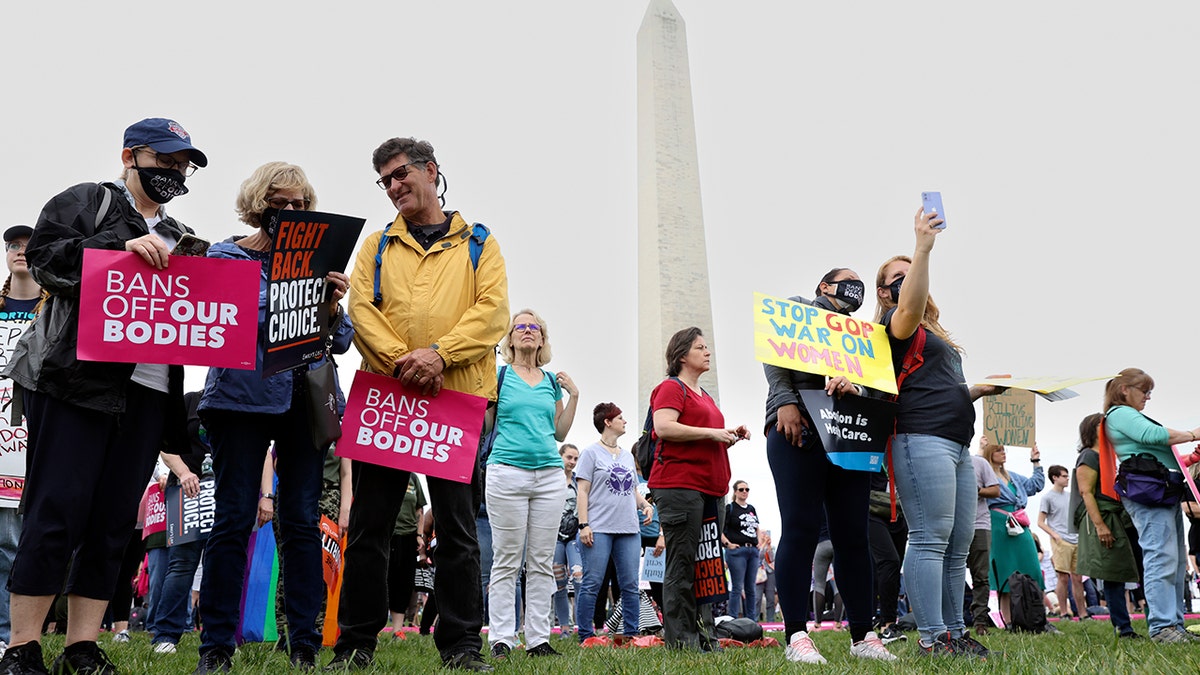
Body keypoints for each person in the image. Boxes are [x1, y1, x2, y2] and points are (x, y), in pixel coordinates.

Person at [0, 118, 203, 675]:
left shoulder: (182, 235)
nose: (174, 173)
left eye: (182, 165)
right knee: (54, 512)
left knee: (112, 522)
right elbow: (47, 262)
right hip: (75, 386)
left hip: (148, 392)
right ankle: (22, 647)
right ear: (129, 156)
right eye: (165, 161)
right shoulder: (86, 201)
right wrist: (119, 243)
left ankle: (82, 647)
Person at [330, 137, 508, 673]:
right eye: (384, 180)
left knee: (456, 529)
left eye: (400, 174)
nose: (393, 186)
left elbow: (493, 311)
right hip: (388, 399)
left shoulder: (479, 242)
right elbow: (361, 309)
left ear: (431, 170)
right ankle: (356, 643)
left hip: (455, 402)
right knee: (368, 526)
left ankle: (460, 646)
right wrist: (404, 362)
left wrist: (440, 355)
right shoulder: (376, 245)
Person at [191, 161, 351, 672]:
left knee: (301, 522)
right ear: (258, 206)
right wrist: (285, 298)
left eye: (300, 205)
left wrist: (328, 305)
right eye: (279, 203)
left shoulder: (318, 260)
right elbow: (224, 317)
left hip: (303, 402)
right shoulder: (225, 253)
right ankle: (217, 644)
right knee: (234, 518)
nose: (290, 212)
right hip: (239, 400)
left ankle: (303, 642)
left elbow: (340, 341)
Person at [873, 207, 999, 658]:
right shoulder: (896, 322)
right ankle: (932, 637)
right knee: (930, 536)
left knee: (957, 543)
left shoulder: (932, 332)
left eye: (913, 272)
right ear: (886, 292)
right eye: (899, 276)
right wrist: (922, 247)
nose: (909, 279)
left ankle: (955, 632)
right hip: (919, 439)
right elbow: (909, 305)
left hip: (957, 445)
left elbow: (937, 385)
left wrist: (980, 389)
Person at [763, 268, 896, 663]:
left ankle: (863, 635)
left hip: (845, 433)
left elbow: (877, 386)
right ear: (824, 287)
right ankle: (796, 636)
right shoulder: (797, 309)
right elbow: (774, 356)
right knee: (801, 529)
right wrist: (784, 401)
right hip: (798, 427)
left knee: (853, 535)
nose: (854, 287)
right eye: (847, 280)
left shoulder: (863, 334)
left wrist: (857, 387)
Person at [647, 327, 749, 651]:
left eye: (707, 347)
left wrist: (727, 434)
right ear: (681, 355)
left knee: (706, 566)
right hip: (680, 486)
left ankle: (707, 638)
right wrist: (711, 433)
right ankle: (681, 643)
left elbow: (703, 440)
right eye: (700, 347)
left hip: (711, 489)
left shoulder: (705, 395)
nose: (708, 352)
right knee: (682, 564)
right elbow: (663, 427)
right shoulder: (670, 387)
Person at [485, 309, 578, 658]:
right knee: (507, 559)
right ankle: (502, 638)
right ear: (510, 338)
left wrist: (574, 397)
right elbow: (484, 424)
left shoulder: (552, 380)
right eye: (519, 327)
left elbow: (559, 432)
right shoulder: (499, 375)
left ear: (542, 338)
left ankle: (539, 638)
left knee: (541, 561)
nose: (526, 331)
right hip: (507, 471)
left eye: (533, 327)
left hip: (550, 476)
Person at [1102, 368, 1200, 644]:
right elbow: (1154, 435)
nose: (1147, 397)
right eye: (1144, 391)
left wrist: (1190, 455)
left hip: (1160, 489)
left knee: (1175, 560)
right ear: (1125, 390)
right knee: (1161, 557)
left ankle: (1173, 625)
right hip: (1150, 493)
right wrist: (1193, 433)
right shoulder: (1120, 413)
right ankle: (1162, 627)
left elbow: (1157, 451)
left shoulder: (1124, 415)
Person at [574, 403, 654, 644]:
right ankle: (586, 635)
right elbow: (582, 491)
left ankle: (632, 634)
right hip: (598, 527)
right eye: (620, 418)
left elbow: (631, 491)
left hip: (629, 528)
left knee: (630, 584)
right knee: (593, 582)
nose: (625, 421)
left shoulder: (628, 455)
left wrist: (645, 505)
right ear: (607, 422)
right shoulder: (590, 453)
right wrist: (583, 524)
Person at [0, 224, 43, 651]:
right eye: (13, 245)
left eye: (29, 246)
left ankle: (11, 637)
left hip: (31, 445)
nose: (20, 252)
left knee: (16, 545)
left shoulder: (55, 311)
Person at [150, 392, 209, 656]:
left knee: (222, 565)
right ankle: (166, 634)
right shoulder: (190, 401)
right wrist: (184, 473)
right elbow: (165, 445)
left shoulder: (240, 401)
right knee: (182, 564)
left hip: (225, 491)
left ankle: (218, 636)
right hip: (188, 492)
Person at [980, 438, 1045, 627]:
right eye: (998, 450)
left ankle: (1037, 615)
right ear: (990, 453)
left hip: (1019, 524)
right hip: (998, 525)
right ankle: (1008, 620)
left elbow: (1036, 485)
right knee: (1004, 570)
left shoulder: (1013, 477)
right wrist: (980, 449)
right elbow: (972, 481)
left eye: (1003, 450)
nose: (1003, 453)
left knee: (1032, 566)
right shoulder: (986, 475)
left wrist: (1035, 461)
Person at [1039, 464, 1087, 619]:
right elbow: (1040, 521)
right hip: (1060, 541)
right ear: (1055, 478)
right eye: (1064, 476)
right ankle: (1065, 613)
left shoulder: (1071, 496)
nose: (1067, 479)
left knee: (1078, 578)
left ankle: (1083, 613)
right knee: (1063, 577)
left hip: (1076, 539)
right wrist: (1055, 535)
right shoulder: (1047, 497)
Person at [388, 475, 428, 635]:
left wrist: (419, 535)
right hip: (386, 534)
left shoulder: (413, 478)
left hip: (408, 537)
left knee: (404, 583)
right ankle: (373, 629)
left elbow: (420, 509)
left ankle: (398, 631)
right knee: (382, 580)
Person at [968, 451, 1001, 634]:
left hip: (979, 525)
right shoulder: (943, 461)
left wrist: (976, 490)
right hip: (951, 525)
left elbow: (996, 490)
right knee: (949, 574)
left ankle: (980, 622)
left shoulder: (979, 463)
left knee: (980, 575)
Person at [721, 480, 762, 621]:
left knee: (751, 588)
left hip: (752, 550)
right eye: (741, 489)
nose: (744, 492)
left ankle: (751, 620)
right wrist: (728, 544)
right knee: (737, 587)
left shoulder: (751, 508)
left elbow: (757, 527)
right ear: (735, 491)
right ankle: (732, 619)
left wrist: (760, 542)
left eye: (747, 489)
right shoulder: (730, 508)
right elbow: (720, 529)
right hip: (737, 551)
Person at [552, 444, 583, 633]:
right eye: (569, 457)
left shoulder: (580, 483)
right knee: (559, 582)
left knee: (579, 577)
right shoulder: (551, 479)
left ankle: (581, 625)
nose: (572, 462)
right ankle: (564, 627)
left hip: (574, 536)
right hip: (553, 537)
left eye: (575, 459)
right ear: (560, 457)